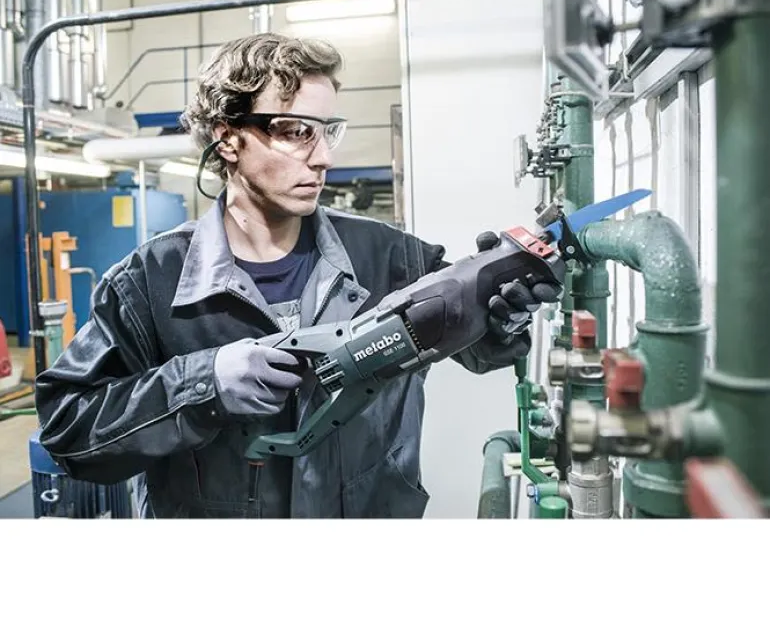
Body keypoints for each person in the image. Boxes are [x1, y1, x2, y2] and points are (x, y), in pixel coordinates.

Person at [35, 32, 560, 518]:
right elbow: (69, 432)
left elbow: (480, 352)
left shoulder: (392, 257)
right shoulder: (149, 283)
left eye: (328, 131)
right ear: (228, 139)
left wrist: (501, 315)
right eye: (296, 132)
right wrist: (203, 384)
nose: (324, 157)